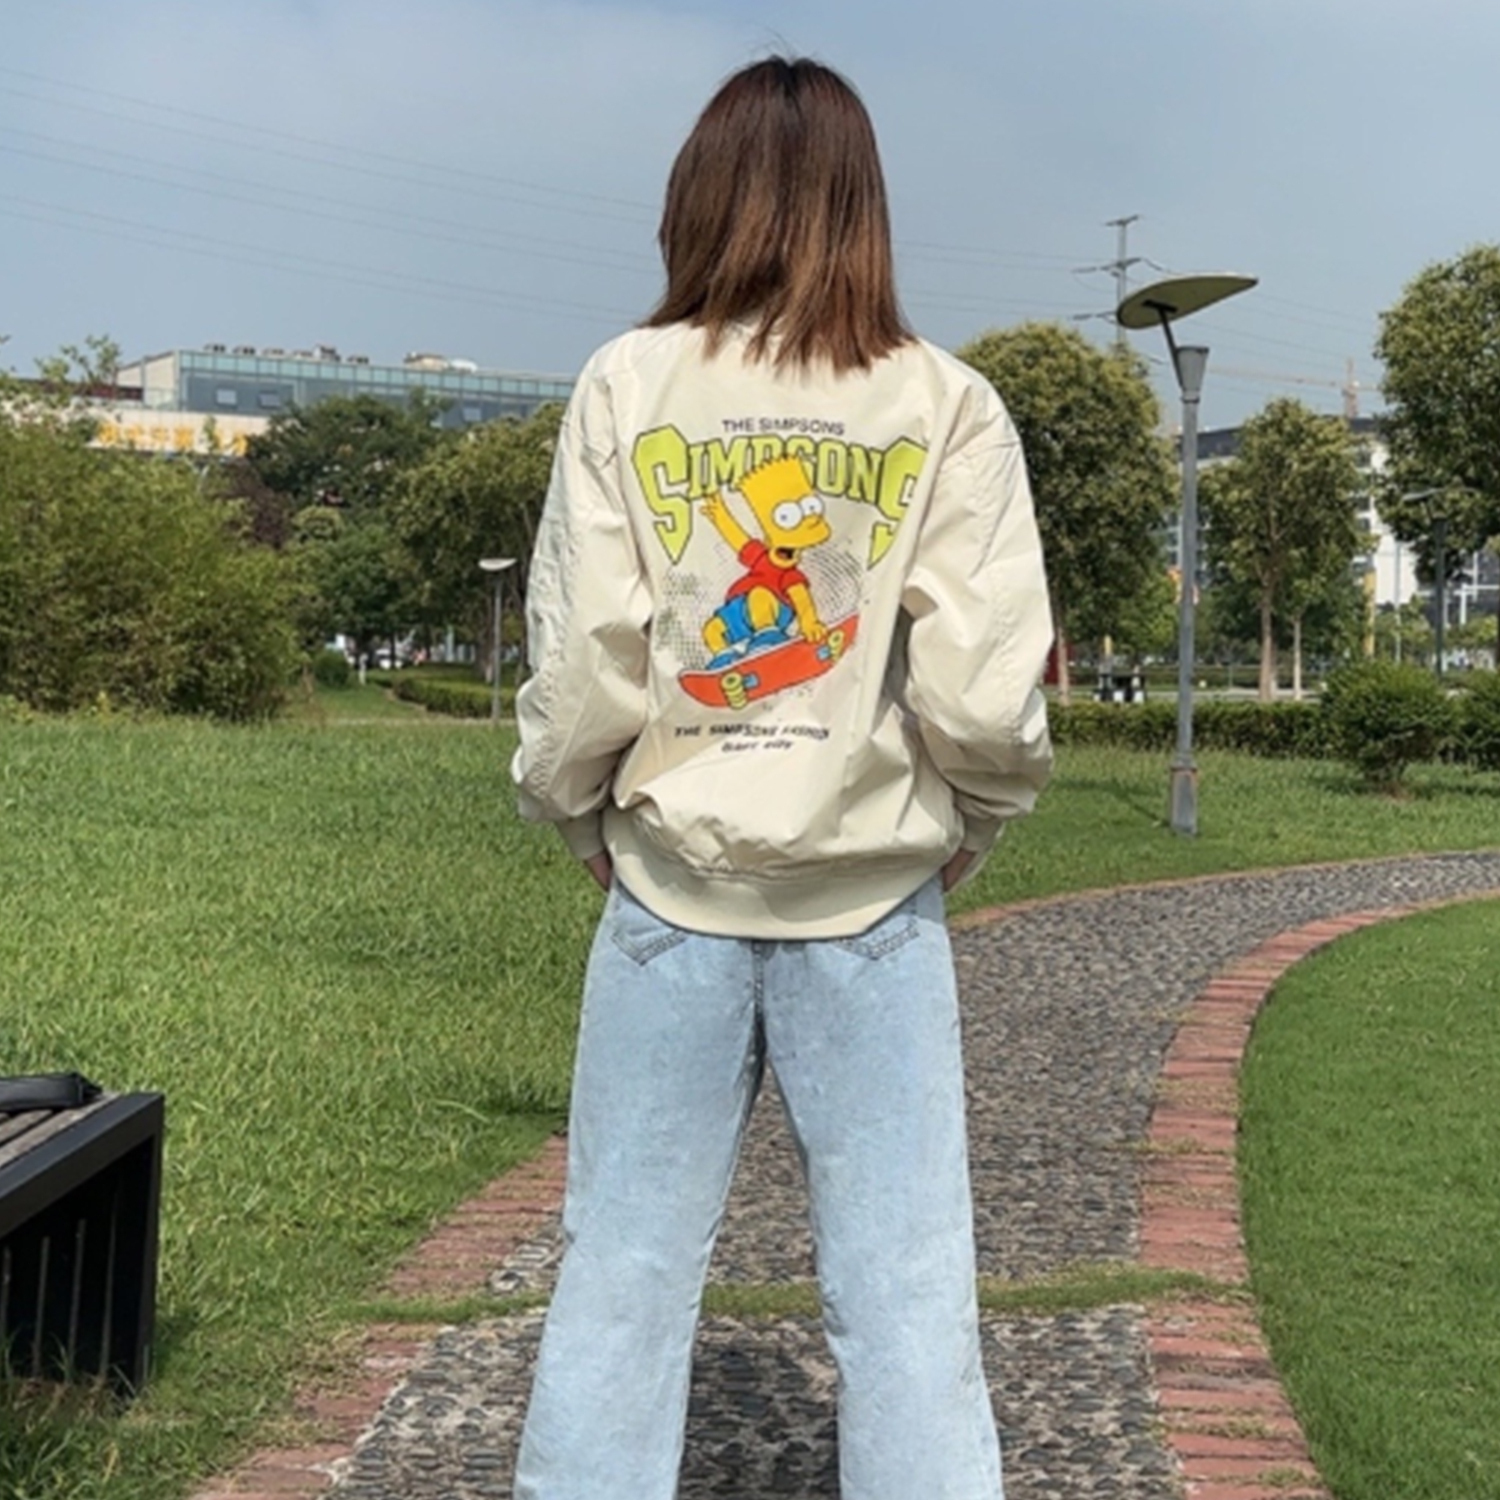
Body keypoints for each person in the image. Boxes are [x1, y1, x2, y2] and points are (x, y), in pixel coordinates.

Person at [511, 54, 1053, 1500]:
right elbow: (984, 689)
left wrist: (576, 808)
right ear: (867, 204)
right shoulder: (944, 402)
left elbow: (588, 659)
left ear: (696, 195)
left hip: (668, 893)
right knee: (907, 1294)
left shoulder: (628, 384)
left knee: (622, 1279)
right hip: (872, 907)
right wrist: (977, 813)